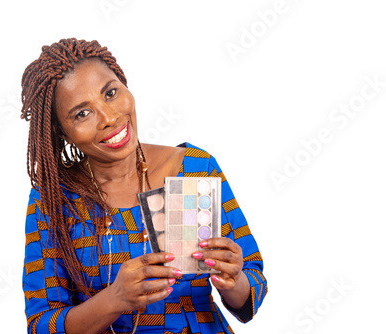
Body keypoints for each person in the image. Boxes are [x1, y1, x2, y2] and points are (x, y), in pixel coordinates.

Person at [21, 38, 267, 334]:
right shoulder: (55, 200)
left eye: (111, 93)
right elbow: (41, 325)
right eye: (82, 113)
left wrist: (234, 281)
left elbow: (252, 293)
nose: (109, 118)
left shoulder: (192, 170)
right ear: (62, 132)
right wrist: (114, 299)